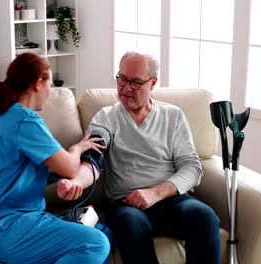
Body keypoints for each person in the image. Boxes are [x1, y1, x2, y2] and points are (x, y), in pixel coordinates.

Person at [57, 51, 221, 264]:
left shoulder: (173, 116)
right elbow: (93, 160)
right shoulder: (106, 118)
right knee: (130, 223)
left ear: (153, 83)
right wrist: (76, 182)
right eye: (122, 79)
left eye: (135, 82)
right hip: (126, 204)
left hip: (172, 201)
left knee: (204, 217)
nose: (125, 88)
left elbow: (192, 168)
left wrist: (155, 193)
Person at [0, 52, 110, 264]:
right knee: (96, 243)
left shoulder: (8, 115)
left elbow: (23, 172)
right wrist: (78, 148)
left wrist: (59, 180)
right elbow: (70, 168)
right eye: (50, 85)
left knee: (102, 230)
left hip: (12, 223)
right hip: (7, 227)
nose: (50, 93)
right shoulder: (24, 120)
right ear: (39, 83)